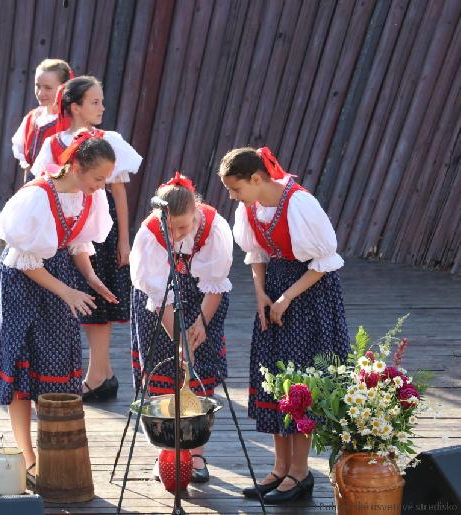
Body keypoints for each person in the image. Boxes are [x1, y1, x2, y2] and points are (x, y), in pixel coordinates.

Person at [0, 133, 118, 482]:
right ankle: (28, 459)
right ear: (74, 167)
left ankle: (53, 453)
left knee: (54, 370)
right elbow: (25, 261)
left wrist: (90, 279)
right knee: (23, 373)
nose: (101, 186)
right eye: (98, 178)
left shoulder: (88, 197)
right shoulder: (36, 198)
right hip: (23, 286)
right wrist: (68, 293)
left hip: (58, 282)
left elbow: (77, 244)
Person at [219, 147, 350, 503]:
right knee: (274, 378)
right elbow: (257, 255)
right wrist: (262, 294)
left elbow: (325, 261)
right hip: (275, 292)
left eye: (235, 188)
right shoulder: (251, 207)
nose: (232, 196)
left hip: (308, 295)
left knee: (300, 382)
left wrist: (287, 297)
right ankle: (279, 469)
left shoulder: (300, 203)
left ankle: (300, 472)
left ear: (257, 178)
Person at [31, 76, 142, 402]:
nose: (101, 107)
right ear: (75, 106)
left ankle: (96, 373)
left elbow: (118, 190)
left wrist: (124, 239)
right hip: (65, 230)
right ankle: (103, 373)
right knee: (77, 298)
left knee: (98, 299)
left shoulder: (107, 141)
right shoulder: (53, 145)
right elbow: (44, 189)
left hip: (98, 226)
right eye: (94, 102)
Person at [130, 172, 233, 483]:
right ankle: (168, 453)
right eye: (170, 228)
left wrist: (200, 323)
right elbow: (158, 294)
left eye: (183, 227)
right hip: (159, 308)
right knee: (167, 373)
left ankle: (196, 452)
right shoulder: (151, 234)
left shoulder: (214, 227)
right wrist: (179, 339)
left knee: (199, 373)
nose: (175, 235)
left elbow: (216, 284)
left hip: (204, 302)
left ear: (196, 212)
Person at [11, 58, 73, 182]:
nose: (40, 93)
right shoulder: (32, 118)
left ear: (64, 88)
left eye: (48, 88)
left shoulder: (71, 123)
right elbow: (28, 167)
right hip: (35, 188)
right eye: (37, 86)